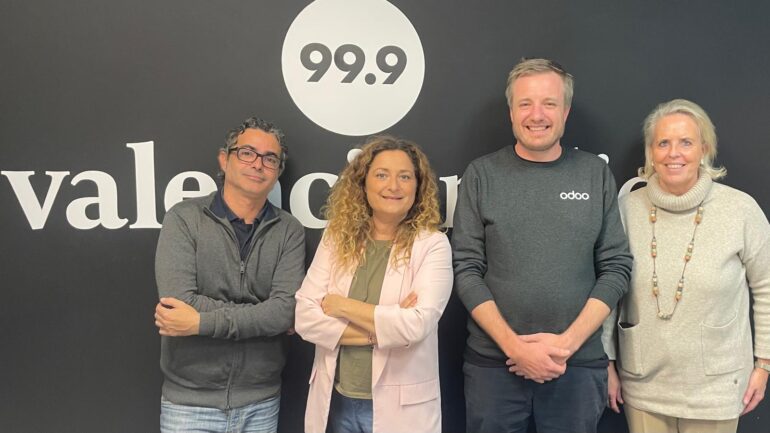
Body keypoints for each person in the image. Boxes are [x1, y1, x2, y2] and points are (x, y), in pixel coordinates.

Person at [452, 57, 632, 433]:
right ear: (511, 112)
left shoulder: (594, 174)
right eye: (525, 104)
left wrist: (565, 345)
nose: (537, 115)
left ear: (565, 111)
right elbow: (466, 269)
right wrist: (515, 348)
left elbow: (616, 267)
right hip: (494, 366)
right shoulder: (481, 175)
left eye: (549, 103)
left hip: (576, 365)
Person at [604, 99, 770, 433]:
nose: (673, 153)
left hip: (717, 389)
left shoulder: (740, 210)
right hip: (643, 387)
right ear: (651, 153)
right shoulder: (625, 209)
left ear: (704, 149)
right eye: (663, 143)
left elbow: (767, 287)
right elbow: (609, 286)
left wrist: (764, 364)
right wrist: (606, 361)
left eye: (686, 142)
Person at [153, 117, 306, 433]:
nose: (258, 164)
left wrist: (200, 322)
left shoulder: (289, 230)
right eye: (247, 153)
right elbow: (178, 302)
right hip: (189, 405)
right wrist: (261, 314)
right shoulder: (184, 219)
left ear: (277, 171)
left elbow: (284, 311)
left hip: (261, 402)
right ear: (224, 159)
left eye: (270, 158)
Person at [294, 136, 452, 433]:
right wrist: (384, 328)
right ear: (363, 183)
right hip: (337, 403)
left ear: (418, 187)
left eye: (405, 177)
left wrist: (341, 305)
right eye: (381, 175)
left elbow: (416, 325)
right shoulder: (336, 238)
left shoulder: (432, 244)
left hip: (402, 411)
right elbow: (304, 318)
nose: (393, 186)